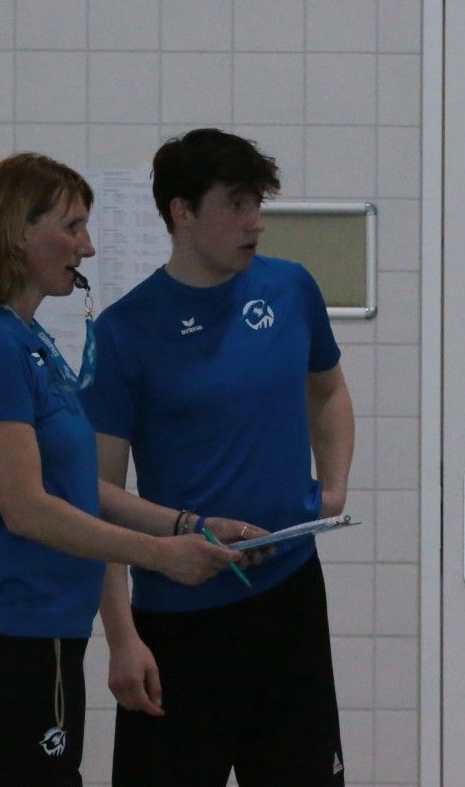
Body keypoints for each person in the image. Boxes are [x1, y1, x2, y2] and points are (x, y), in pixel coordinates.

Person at [0, 152, 257, 786]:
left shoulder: (30, 342)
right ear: (17, 233)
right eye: (73, 227)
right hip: (10, 638)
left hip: (47, 637)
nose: (88, 246)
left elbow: (83, 491)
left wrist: (190, 525)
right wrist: (160, 557)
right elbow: (27, 509)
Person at [82, 128, 357, 786]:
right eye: (235, 204)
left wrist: (333, 489)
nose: (255, 221)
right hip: (180, 616)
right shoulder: (124, 331)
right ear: (182, 211)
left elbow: (329, 391)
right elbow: (96, 497)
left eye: (257, 203)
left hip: (289, 595)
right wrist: (121, 637)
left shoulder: (291, 289)